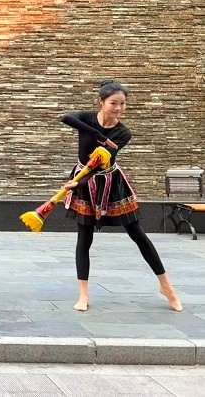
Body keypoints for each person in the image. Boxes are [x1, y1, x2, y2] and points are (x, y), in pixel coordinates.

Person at [62, 80, 182, 312]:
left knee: (138, 234)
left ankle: (167, 287)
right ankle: (83, 295)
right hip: (83, 181)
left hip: (111, 182)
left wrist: (78, 182)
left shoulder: (123, 133)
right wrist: (96, 133)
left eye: (122, 104)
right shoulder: (87, 118)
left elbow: (99, 162)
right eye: (113, 103)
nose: (118, 108)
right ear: (101, 101)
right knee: (84, 238)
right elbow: (66, 117)